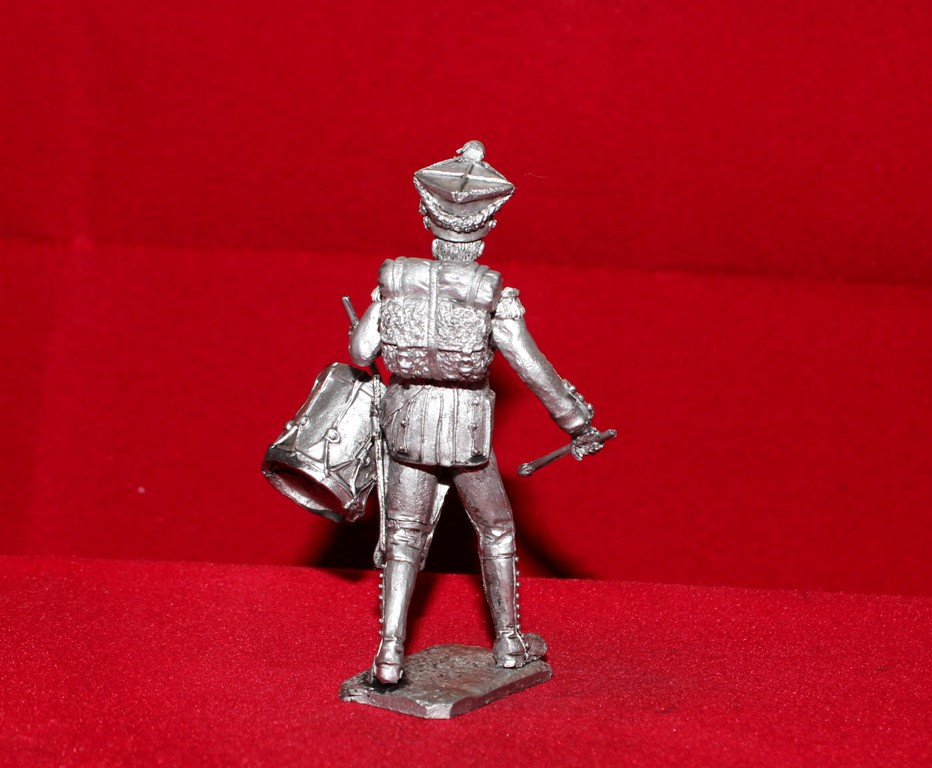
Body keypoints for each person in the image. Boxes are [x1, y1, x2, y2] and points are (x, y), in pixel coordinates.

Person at [349, 141, 604, 685]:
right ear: (485, 229)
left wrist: (379, 310)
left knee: (404, 539)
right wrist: (576, 422)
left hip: (408, 426)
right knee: (498, 530)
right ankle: (508, 642)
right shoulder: (492, 295)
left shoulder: (395, 280)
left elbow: (360, 351)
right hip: (466, 432)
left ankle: (389, 654)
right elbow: (532, 368)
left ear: (428, 221)